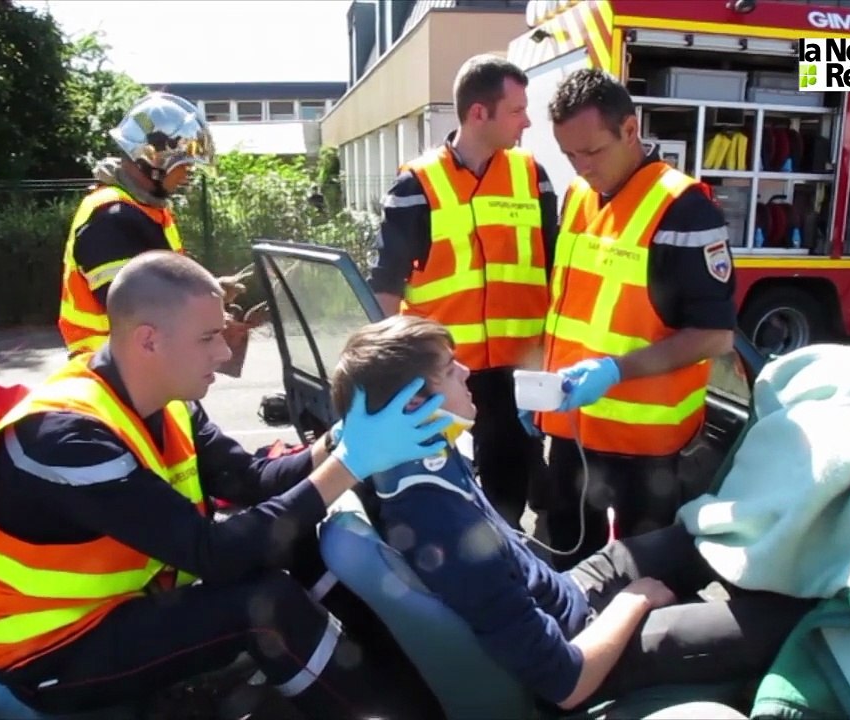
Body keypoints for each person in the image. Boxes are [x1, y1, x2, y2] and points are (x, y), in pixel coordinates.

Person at [0, 250, 453, 718]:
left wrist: (338, 439)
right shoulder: (62, 437)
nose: (225, 350)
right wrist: (351, 462)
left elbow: (251, 480)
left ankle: (423, 687)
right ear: (149, 339)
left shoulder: (168, 400)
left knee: (299, 546)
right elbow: (210, 552)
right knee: (263, 608)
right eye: (208, 337)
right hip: (52, 652)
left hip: (124, 607)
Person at [330, 315, 815, 714]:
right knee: (786, 621)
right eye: (449, 369)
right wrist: (634, 601)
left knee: (710, 531)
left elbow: (346, 426)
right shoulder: (442, 528)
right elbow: (566, 681)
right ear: (414, 403)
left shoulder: (418, 460)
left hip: (566, 592)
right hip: (584, 648)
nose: (465, 373)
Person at [529, 67, 738, 564]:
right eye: (569, 155)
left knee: (638, 578)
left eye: (592, 152)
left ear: (630, 129)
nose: (581, 167)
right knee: (565, 563)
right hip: (573, 430)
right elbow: (573, 307)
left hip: (647, 450)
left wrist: (615, 370)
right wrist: (540, 387)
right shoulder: (579, 196)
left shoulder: (684, 210)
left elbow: (715, 338)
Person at [367, 53, 559, 528]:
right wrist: (388, 375)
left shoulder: (533, 178)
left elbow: (559, 268)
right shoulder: (417, 185)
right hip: (448, 372)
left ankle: (511, 565)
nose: (527, 121)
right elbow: (386, 287)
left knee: (511, 491)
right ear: (479, 113)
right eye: (517, 110)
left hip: (522, 368)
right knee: (440, 489)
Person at [57, 91, 247, 357]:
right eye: (185, 164)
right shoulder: (112, 217)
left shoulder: (144, 210)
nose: (188, 173)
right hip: (110, 372)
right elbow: (138, 310)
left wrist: (211, 290)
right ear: (155, 159)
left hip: (140, 366)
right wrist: (208, 316)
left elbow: (160, 288)